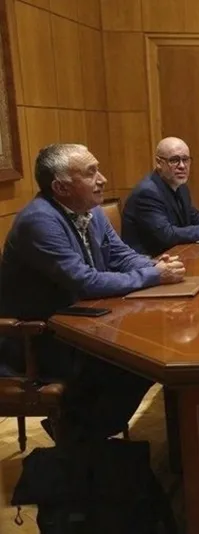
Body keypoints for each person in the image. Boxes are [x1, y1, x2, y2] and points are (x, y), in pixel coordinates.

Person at [0, 144, 186, 444]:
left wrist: (154, 264)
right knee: (135, 364)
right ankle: (79, 438)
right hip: (37, 338)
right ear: (60, 187)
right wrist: (152, 275)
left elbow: (120, 254)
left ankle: (84, 435)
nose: (102, 179)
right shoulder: (39, 222)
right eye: (90, 173)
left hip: (83, 324)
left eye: (97, 168)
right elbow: (84, 282)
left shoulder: (91, 210)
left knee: (149, 354)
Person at [122, 137, 199, 257]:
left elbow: (193, 217)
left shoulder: (180, 187)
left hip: (175, 256)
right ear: (159, 163)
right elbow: (167, 235)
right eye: (174, 160)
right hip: (150, 263)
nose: (182, 166)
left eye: (185, 159)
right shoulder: (147, 193)